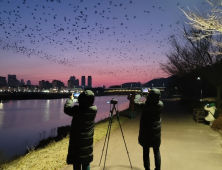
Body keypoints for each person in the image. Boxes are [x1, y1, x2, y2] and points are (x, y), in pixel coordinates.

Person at [64, 90, 97, 170]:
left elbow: (67, 109)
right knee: (86, 161)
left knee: (77, 161)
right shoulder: (94, 109)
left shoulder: (77, 110)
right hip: (88, 141)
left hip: (76, 141)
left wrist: (70, 99)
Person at [134, 88, 164, 170]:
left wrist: (139, 93)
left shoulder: (145, 105)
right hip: (156, 133)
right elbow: (153, 100)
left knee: (146, 152)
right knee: (157, 151)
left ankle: (147, 168)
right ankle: (158, 168)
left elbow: (135, 102)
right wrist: (151, 93)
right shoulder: (160, 104)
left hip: (145, 133)